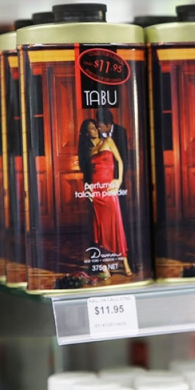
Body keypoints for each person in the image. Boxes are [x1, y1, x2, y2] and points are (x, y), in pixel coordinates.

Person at [77, 118, 131, 276]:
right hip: (96, 192)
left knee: (116, 225)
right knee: (99, 229)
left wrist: (118, 180)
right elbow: (87, 174)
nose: (94, 130)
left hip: (109, 190)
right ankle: (104, 266)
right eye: (90, 128)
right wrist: (88, 190)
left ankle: (125, 264)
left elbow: (120, 161)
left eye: (95, 127)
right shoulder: (89, 151)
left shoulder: (108, 141)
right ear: (86, 133)